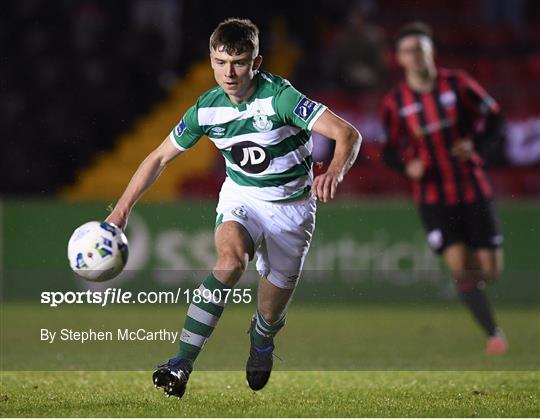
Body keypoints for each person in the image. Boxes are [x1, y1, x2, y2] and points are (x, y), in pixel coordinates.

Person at [106, 18, 361, 399]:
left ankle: (262, 339)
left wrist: (335, 172)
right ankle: (181, 362)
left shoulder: (281, 98)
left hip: (292, 210)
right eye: (220, 62)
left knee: (270, 313)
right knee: (229, 262)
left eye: (239, 62)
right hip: (242, 199)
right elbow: (159, 157)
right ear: (211, 61)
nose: (229, 72)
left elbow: (347, 134)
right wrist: (122, 211)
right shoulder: (205, 110)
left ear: (255, 63)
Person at [381, 22, 508, 355]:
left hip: (473, 187)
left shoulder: (459, 84)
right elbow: (389, 150)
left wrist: (475, 144)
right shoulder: (395, 102)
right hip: (433, 197)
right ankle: (494, 334)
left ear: (431, 52)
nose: (416, 57)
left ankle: (471, 288)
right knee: (460, 268)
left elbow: (495, 118)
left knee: (491, 271)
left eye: (421, 50)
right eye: (409, 51)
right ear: (400, 58)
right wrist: (408, 165)